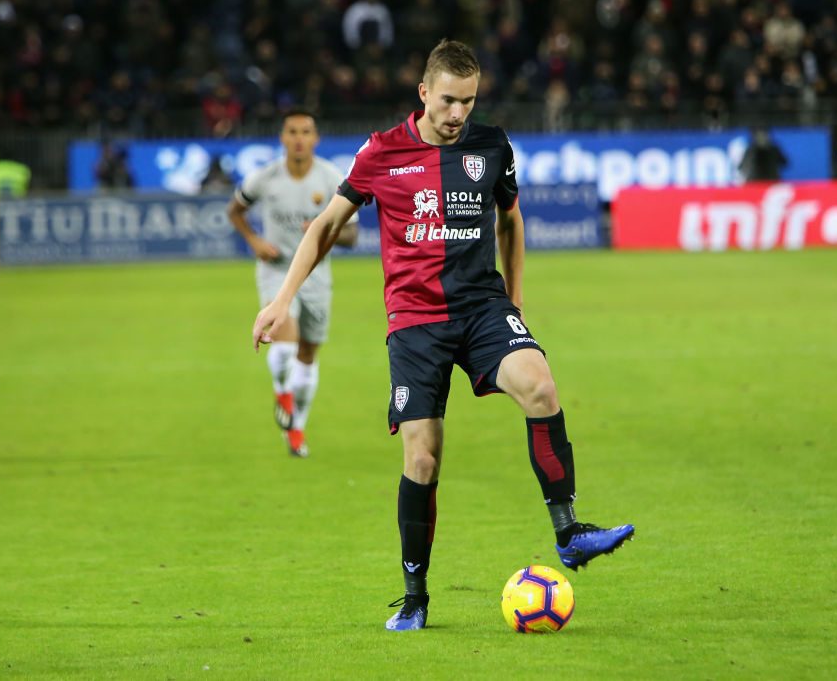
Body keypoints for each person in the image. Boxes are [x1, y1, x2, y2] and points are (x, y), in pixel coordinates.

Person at [251, 40, 633, 631]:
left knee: (540, 386)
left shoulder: (492, 145)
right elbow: (326, 225)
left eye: (469, 101)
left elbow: (510, 220)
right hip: (415, 321)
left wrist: (516, 303)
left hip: (482, 307)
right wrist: (282, 300)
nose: (458, 114)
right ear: (424, 92)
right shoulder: (381, 152)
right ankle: (415, 596)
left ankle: (569, 532)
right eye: (449, 101)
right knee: (423, 457)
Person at [229, 108, 359, 457]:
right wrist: (254, 241)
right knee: (284, 337)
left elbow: (352, 235)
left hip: (317, 275)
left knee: (308, 355)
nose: (299, 139)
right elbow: (235, 210)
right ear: (282, 138)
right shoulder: (265, 178)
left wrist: (323, 229)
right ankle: (282, 392)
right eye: (292, 132)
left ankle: (296, 427)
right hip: (277, 270)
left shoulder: (332, 178)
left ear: (315, 138)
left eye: (305, 132)